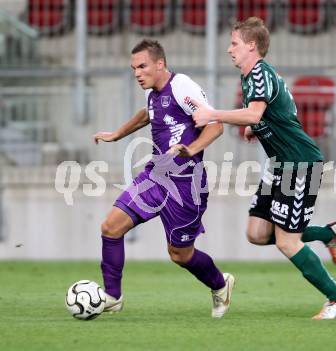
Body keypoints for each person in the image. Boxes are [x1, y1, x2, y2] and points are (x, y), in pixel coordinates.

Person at [192, 17, 336, 320]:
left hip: (299, 165)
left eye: (234, 43)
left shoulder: (260, 74)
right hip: (279, 166)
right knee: (256, 232)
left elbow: (254, 113)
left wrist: (216, 114)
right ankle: (328, 233)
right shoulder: (254, 76)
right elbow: (282, 112)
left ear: (251, 46)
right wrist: (259, 125)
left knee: (286, 241)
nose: (229, 50)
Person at [93, 39, 235, 319]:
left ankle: (221, 284)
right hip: (156, 176)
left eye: (142, 66)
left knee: (180, 254)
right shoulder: (153, 93)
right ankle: (112, 297)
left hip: (186, 184)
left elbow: (216, 126)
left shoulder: (182, 86)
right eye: (133, 68)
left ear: (160, 64)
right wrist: (116, 134)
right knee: (110, 227)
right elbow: (147, 115)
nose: (137, 73)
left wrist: (190, 149)